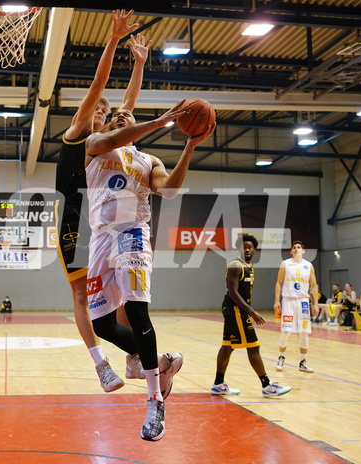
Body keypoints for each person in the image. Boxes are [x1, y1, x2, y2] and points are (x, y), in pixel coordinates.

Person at [55, 9, 182, 394]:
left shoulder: (115, 142)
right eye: (98, 108)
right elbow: (99, 84)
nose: (103, 111)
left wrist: (140, 64)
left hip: (108, 221)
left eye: (106, 112)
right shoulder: (80, 132)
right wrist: (112, 40)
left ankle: (135, 359)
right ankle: (100, 365)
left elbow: (128, 104)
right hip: (75, 222)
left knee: (125, 295)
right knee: (83, 296)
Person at [84, 100, 213, 441]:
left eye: (126, 113)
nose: (120, 116)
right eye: (115, 116)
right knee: (102, 324)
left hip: (132, 234)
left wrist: (189, 144)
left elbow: (169, 189)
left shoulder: (148, 159)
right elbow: (113, 136)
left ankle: (155, 400)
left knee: (137, 310)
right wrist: (157, 122)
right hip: (100, 238)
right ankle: (165, 362)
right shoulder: (95, 144)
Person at [211, 235, 291, 398]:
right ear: (238, 249)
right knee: (253, 347)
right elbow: (233, 293)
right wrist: (252, 312)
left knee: (228, 346)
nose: (247, 249)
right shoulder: (235, 265)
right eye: (244, 247)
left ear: (254, 249)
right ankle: (267, 386)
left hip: (235, 310)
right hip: (236, 310)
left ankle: (218, 384)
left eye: (250, 247)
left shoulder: (248, 265)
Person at [273, 240, 319, 373]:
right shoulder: (285, 264)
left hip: (304, 301)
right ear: (291, 251)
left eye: (299, 247)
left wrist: (315, 303)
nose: (297, 249)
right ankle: (281, 357)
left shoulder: (308, 265)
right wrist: (277, 300)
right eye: (294, 247)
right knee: (286, 331)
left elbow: (314, 285)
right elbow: (279, 283)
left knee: (304, 332)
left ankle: (303, 362)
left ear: (303, 251)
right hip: (288, 300)